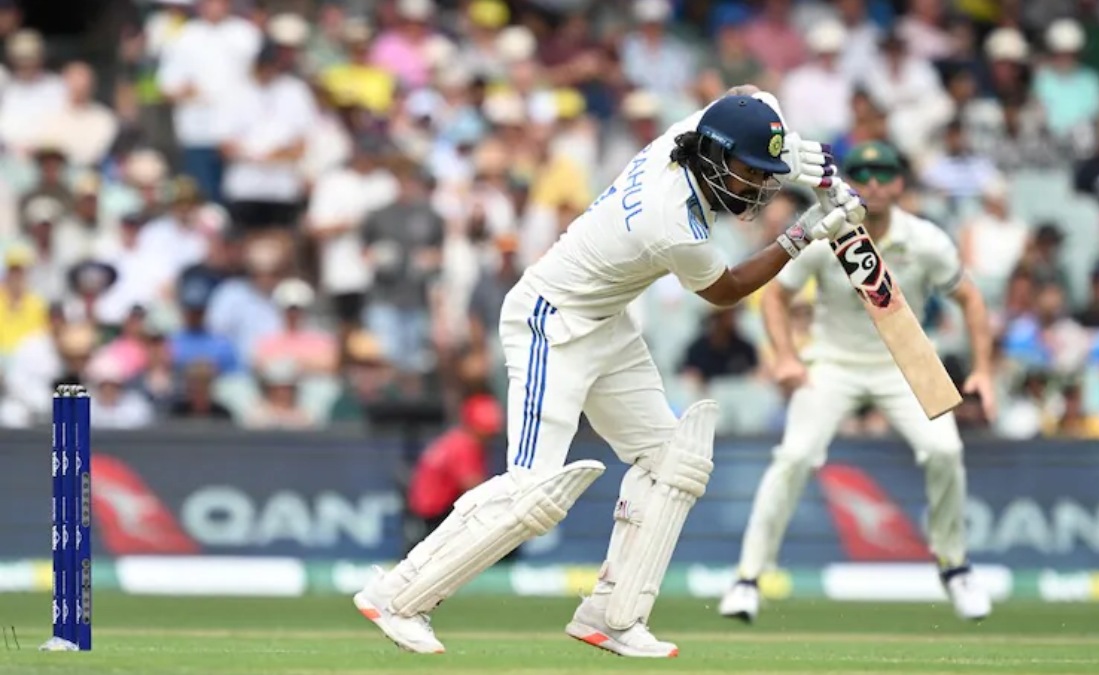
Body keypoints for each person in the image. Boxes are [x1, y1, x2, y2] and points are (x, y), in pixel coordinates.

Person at [351, 85, 858, 657]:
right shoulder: (673, 222)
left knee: (673, 463)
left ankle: (613, 615)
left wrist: (792, 149)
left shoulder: (687, 134)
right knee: (532, 491)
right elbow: (727, 290)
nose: (758, 187)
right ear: (716, 156)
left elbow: (749, 95)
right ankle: (396, 596)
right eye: (750, 172)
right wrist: (804, 232)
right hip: (551, 322)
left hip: (604, 319)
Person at [718, 141, 996, 625]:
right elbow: (776, 297)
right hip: (833, 363)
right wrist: (786, 358)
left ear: (900, 183)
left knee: (945, 451)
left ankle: (955, 566)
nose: (873, 184)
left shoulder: (925, 239)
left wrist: (984, 371)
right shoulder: (828, 229)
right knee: (795, 456)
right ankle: (748, 579)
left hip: (906, 364)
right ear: (848, 182)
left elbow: (971, 299)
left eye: (884, 174)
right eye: (862, 175)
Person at [403, 394, 504, 553]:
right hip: (435, 518)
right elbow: (473, 486)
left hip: (422, 514)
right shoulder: (464, 444)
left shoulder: (453, 439)